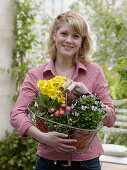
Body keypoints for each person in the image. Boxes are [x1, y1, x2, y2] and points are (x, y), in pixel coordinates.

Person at [10, 11, 116, 170]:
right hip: (48, 163)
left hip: (87, 163)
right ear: (54, 35)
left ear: (82, 41)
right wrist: (43, 137)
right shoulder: (37, 75)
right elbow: (16, 114)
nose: (69, 40)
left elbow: (111, 118)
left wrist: (88, 96)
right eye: (64, 33)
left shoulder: (94, 72)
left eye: (76, 36)